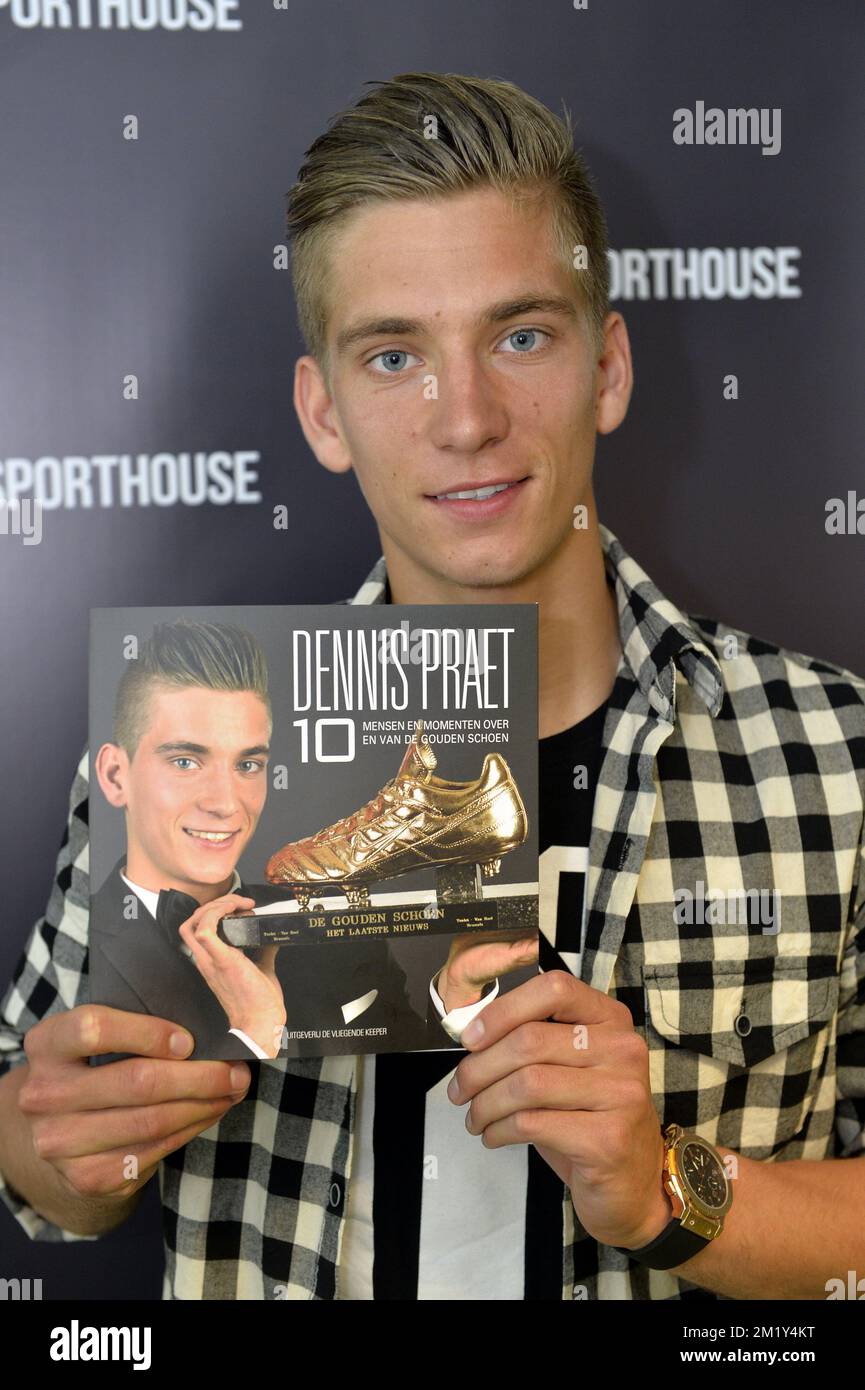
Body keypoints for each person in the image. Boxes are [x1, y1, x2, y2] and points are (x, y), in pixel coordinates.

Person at [1, 70, 864, 1300]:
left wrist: (666, 1182)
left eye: (521, 335)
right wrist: (65, 1146)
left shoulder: (838, 757)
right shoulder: (191, 753)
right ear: (324, 412)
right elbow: (37, 1170)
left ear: (607, 369)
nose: (464, 416)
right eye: (394, 354)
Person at [91, 618, 483, 1061]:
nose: (225, 804)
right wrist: (256, 1035)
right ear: (114, 775)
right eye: (185, 762)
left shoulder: (337, 926)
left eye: (247, 765)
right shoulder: (75, 943)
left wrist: (459, 995)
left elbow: (408, 1095)